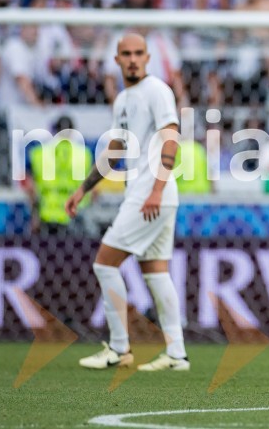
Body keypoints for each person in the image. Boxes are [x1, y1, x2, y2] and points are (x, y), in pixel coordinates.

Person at [66, 33, 189, 372]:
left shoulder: (157, 90)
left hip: (151, 194)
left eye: (139, 53)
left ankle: (119, 348)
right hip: (152, 195)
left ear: (148, 58)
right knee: (156, 272)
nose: (133, 59)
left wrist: (156, 189)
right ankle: (176, 354)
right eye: (126, 54)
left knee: (104, 264)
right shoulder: (123, 100)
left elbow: (171, 138)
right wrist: (85, 188)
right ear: (117, 60)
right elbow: (116, 150)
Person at [25, 115, 93, 236]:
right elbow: (93, 190)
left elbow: (30, 187)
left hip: (46, 213)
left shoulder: (39, 153)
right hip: (74, 214)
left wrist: (34, 213)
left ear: (54, 130)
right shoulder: (84, 154)